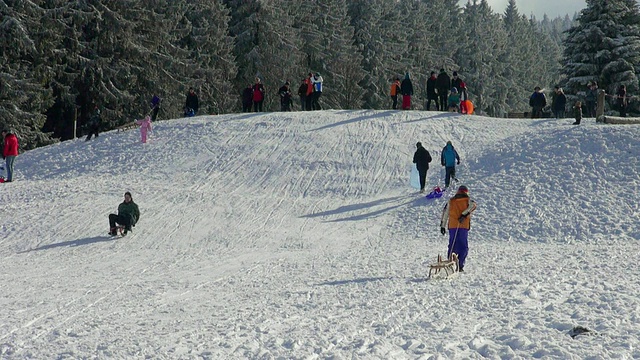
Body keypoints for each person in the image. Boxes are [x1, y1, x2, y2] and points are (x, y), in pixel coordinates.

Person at [439, 185, 477, 272]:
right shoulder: (468, 200)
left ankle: (451, 262)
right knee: (463, 246)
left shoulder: (451, 201)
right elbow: (474, 206)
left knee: (452, 245)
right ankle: (460, 265)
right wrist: (464, 214)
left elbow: (445, 212)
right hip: (463, 226)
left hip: (452, 226)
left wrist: (442, 225)